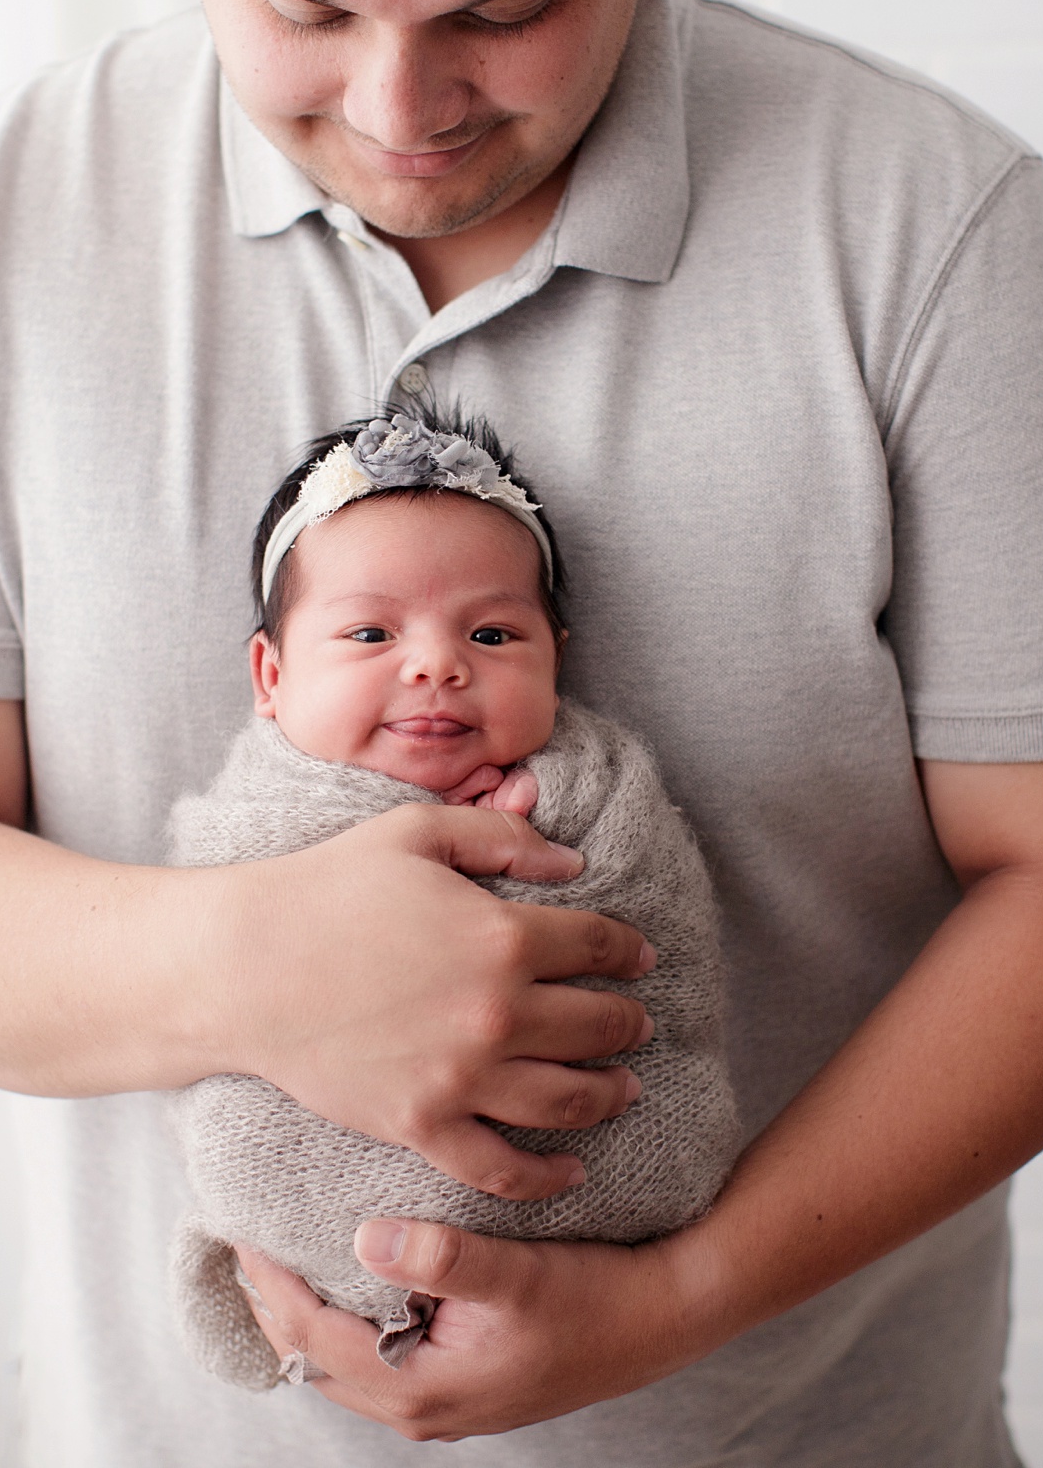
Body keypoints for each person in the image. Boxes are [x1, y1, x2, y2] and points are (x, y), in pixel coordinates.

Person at [0, 0, 1043, 1461]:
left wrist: (682, 1293)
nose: (405, 110)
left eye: (507, 3)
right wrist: (268, 969)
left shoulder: (940, 238)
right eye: (302, 11)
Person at [164, 406, 735, 1391]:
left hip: (586, 1175)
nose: (434, 664)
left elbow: (654, 932)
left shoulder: (588, 785)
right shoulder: (258, 807)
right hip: (308, 1154)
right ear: (270, 676)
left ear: (556, 660)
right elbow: (203, 929)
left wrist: (544, 827)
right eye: (370, 631)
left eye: (489, 631)